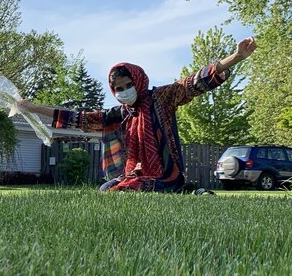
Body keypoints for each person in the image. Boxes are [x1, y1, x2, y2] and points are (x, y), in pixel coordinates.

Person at [13, 37, 257, 192]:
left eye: (126, 85)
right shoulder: (119, 114)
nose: (122, 92)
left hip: (164, 173)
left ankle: (181, 189)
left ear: (138, 81)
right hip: (133, 173)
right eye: (117, 89)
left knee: (118, 192)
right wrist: (32, 107)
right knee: (106, 188)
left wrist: (236, 57)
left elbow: (194, 82)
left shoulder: (161, 98)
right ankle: (191, 192)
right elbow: (79, 119)